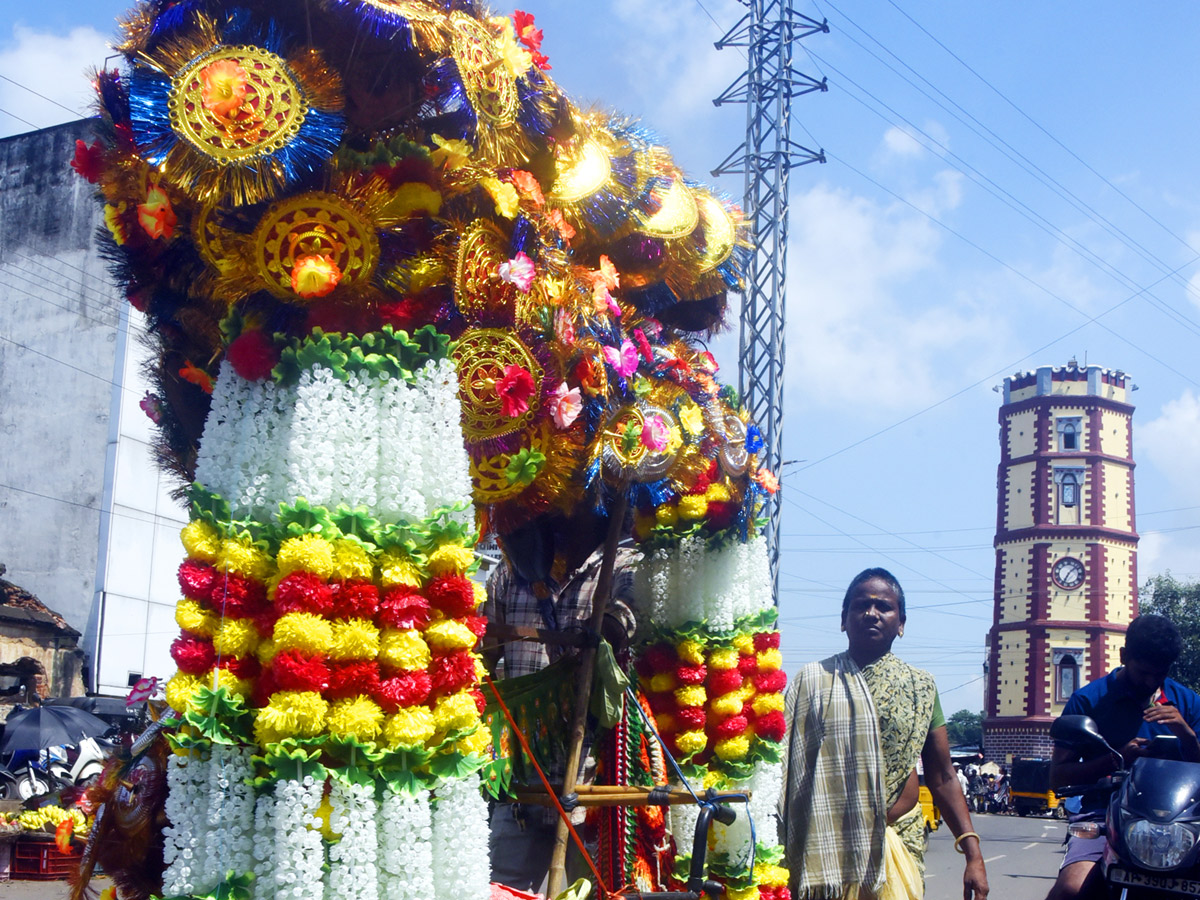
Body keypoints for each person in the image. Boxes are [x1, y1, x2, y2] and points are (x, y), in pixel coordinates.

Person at [779, 567, 989, 900]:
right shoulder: (812, 682)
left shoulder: (920, 687)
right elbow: (787, 774)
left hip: (897, 844)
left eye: (884, 607)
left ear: (901, 623)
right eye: (861, 605)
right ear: (843, 619)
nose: (871, 613)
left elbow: (944, 777)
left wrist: (973, 854)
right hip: (826, 850)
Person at [481, 506, 639, 894]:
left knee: (593, 889)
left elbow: (623, 625)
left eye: (575, 501)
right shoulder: (509, 571)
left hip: (590, 791)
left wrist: (597, 632)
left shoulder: (622, 565)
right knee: (503, 889)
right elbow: (481, 655)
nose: (562, 512)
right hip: (518, 787)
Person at [1045, 614, 1200, 900]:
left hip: (1182, 825)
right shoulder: (1089, 701)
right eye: (1143, 672)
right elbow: (1058, 777)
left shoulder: (1188, 703)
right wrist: (1117, 759)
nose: (1151, 680)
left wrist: (1186, 734)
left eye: (1160, 673)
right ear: (1124, 655)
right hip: (1103, 817)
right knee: (1070, 890)